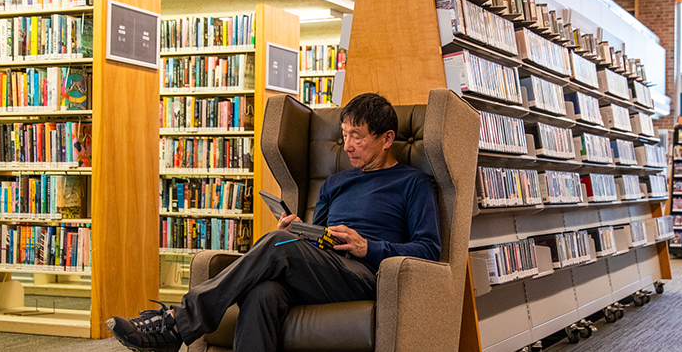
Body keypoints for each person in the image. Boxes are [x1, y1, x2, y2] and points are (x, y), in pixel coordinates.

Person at [105, 93, 442, 352]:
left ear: (386, 138)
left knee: (277, 248)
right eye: (344, 135)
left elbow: (428, 249)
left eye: (358, 137)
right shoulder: (336, 183)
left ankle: (178, 324)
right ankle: (181, 324)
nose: (348, 146)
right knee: (263, 292)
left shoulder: (413, 184)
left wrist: (367, 246)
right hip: (322, 269)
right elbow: (317, 240)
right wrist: (298, 231)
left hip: (365, 274)